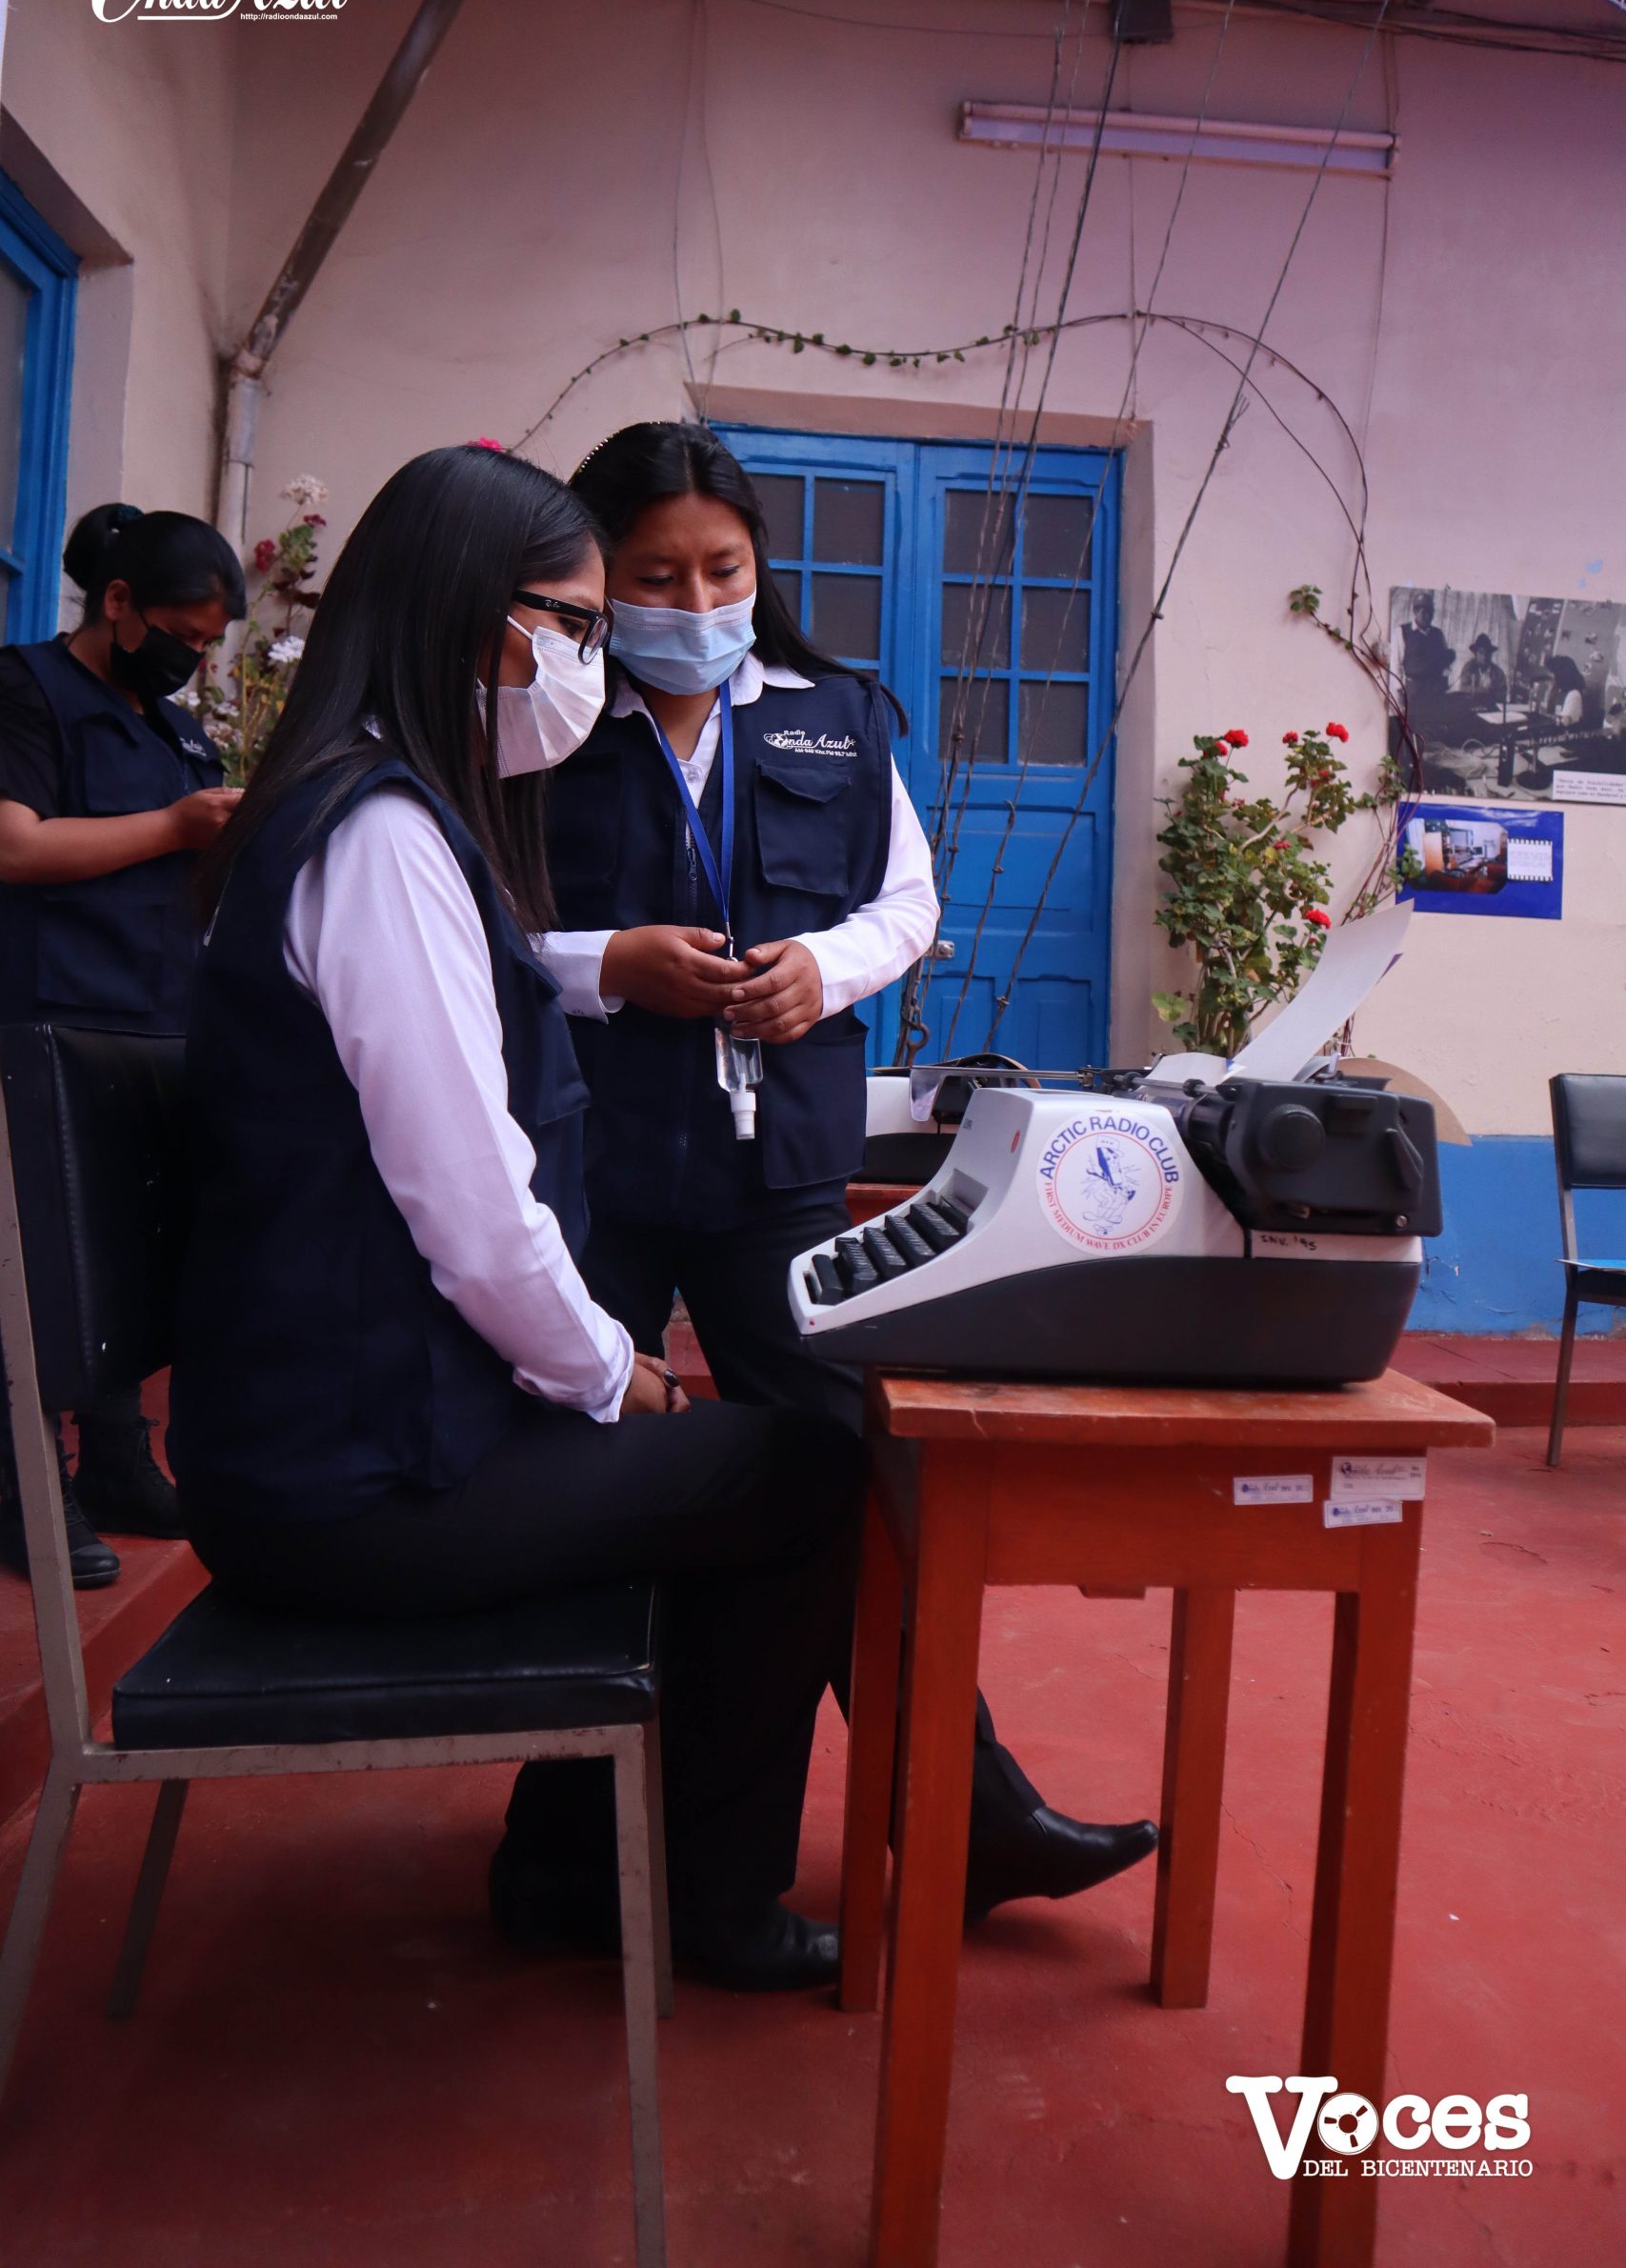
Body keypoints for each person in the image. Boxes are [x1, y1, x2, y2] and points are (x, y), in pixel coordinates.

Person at [168, 442, 867, 1993]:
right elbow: (472, 1209)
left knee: (715, 1471)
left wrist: (607, 1385)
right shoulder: (383, 842)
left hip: (316, 1436)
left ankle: (567, 1865)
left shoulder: (368, 809)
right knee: (807, 1472)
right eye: (577, 622)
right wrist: (610, 1375)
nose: (591, 661)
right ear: (475, 618)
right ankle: (708, 1900)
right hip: (349, 1483)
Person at [545, 420, 1156, 1924]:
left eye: (722, 569)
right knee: (579, 1491)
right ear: (594, 576)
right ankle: (563, 1856)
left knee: (842, 1478)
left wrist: (821, 967)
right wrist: (605, 965)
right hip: (585, 1164)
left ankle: (957, 1813)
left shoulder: (832, 715)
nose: (694, 602)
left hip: (776, 1173)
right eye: (654, 576)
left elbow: (908, 902)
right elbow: (473, 924)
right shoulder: (540, 718)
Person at [0, 504, 244, 1586]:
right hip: (46, 1013)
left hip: (156, 1020)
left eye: (208, 644)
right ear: (116, 602)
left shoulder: (179, 733)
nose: (192, 659)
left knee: (130, 1258)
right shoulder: (28, 690)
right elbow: (15, 845)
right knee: (34, 1270)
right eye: (182, 636)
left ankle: (115, 1456)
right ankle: (23, 1484)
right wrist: (177, 828)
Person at [1399, 590, 1454, 697]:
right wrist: (1399, 691)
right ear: (1415, 612)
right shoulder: (1402, 632)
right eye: (1423, 612)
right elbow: (1396, 665)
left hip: (1435, 690)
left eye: (1430, 612)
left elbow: (1445, 662)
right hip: (1413, 691)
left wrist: (1444, 681)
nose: (1427, 616)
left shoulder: (1438, 634)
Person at [1457, 634, 1507, 705]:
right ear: (1475, 654)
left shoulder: (1498, 672)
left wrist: (1491, 693)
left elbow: (1502, 694)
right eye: (1481, 652)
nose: (1484, 656)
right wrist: (1479, 690)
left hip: (1491, 707)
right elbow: (1463, 688)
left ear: (1491, 654)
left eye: (1488, 653)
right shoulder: (1468, 668)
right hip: (1470, 706)